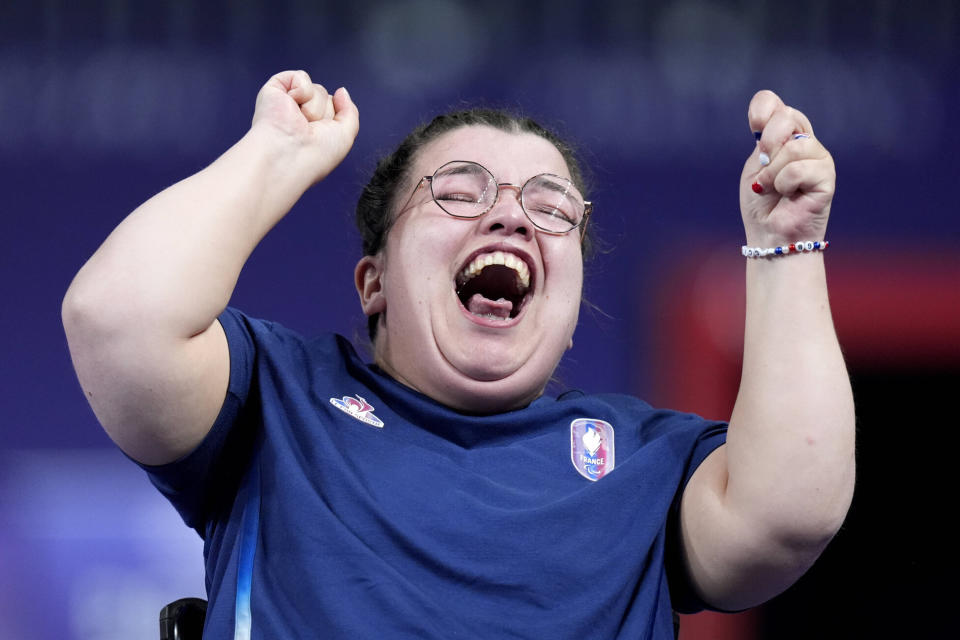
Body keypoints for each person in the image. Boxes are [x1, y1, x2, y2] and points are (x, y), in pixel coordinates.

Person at [62, 70, 855, 639]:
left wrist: (787, 247)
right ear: (373, 281)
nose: (511, 218)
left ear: (573, 310)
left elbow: (789, 513)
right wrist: (274, 154)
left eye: (550, 208)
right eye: (461, 191)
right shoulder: (276, 400)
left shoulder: (648, 466)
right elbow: (118, 320)